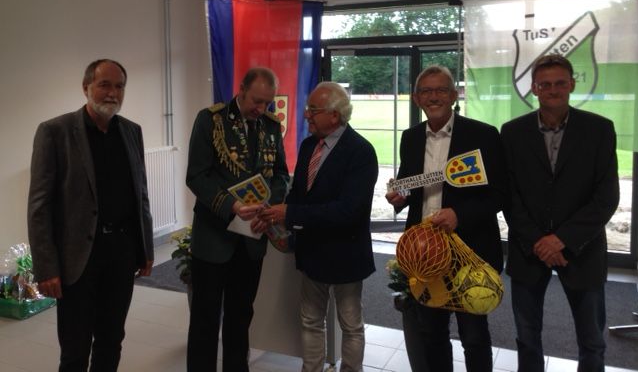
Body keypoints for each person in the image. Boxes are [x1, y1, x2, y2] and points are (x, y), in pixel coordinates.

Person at [27, 59, 154, 371]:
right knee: (75, 349)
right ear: (86, 88)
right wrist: (46, 268)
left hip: (122, 254)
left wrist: (146, 249)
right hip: (78, 260)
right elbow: (39, 207)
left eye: (119, 86)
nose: (113, 93)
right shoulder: (55, 132)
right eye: (104, 85)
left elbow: (141, 194)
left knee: (112, 340)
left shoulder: (131, 131)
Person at [385, 65, 508, 372]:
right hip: (425, 254)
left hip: (470, 252)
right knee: (432, 334)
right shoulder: (411, 137)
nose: (433, 97)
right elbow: (409, 183)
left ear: (454, 95)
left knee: (474, 336)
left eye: (441, 90)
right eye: (426, 91)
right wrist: (400, 196)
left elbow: (501, 193)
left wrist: (459, 215)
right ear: (416, 98)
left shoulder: (483, 134)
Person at [501, 53, 619, 372]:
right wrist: (539, 241)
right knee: (527, 338)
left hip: (583, 250)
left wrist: (561, 240)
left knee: (592, 342)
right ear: (534, 88)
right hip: (528, 249)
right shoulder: (512, 132)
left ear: (572, 85)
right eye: (545, 84)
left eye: (559, 83)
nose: (552, 90)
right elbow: (509, 196)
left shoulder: (599, 130)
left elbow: (606, 198)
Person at [259, 81, 378, 372]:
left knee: (350, 324)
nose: (305, 115)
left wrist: (291, 213)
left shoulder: (361, 151)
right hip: (312, 251)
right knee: (311, 320)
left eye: (313, 110)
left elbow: (349, 211)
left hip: (346, 253)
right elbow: (299, 194)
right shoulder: (308, 145)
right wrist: (283, 220)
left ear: (334, 115)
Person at [185, 66, 289, 372]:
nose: (261, 109)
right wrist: (232, 206)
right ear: (241, 90)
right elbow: (197, 176)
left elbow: (281, 174)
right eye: (256, 101)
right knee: (205, 318)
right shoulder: (211, 120)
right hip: (214, 238)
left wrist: (268, 206)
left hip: (251, 239)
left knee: (241, 316)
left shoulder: (271, 126)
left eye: (267, 103)